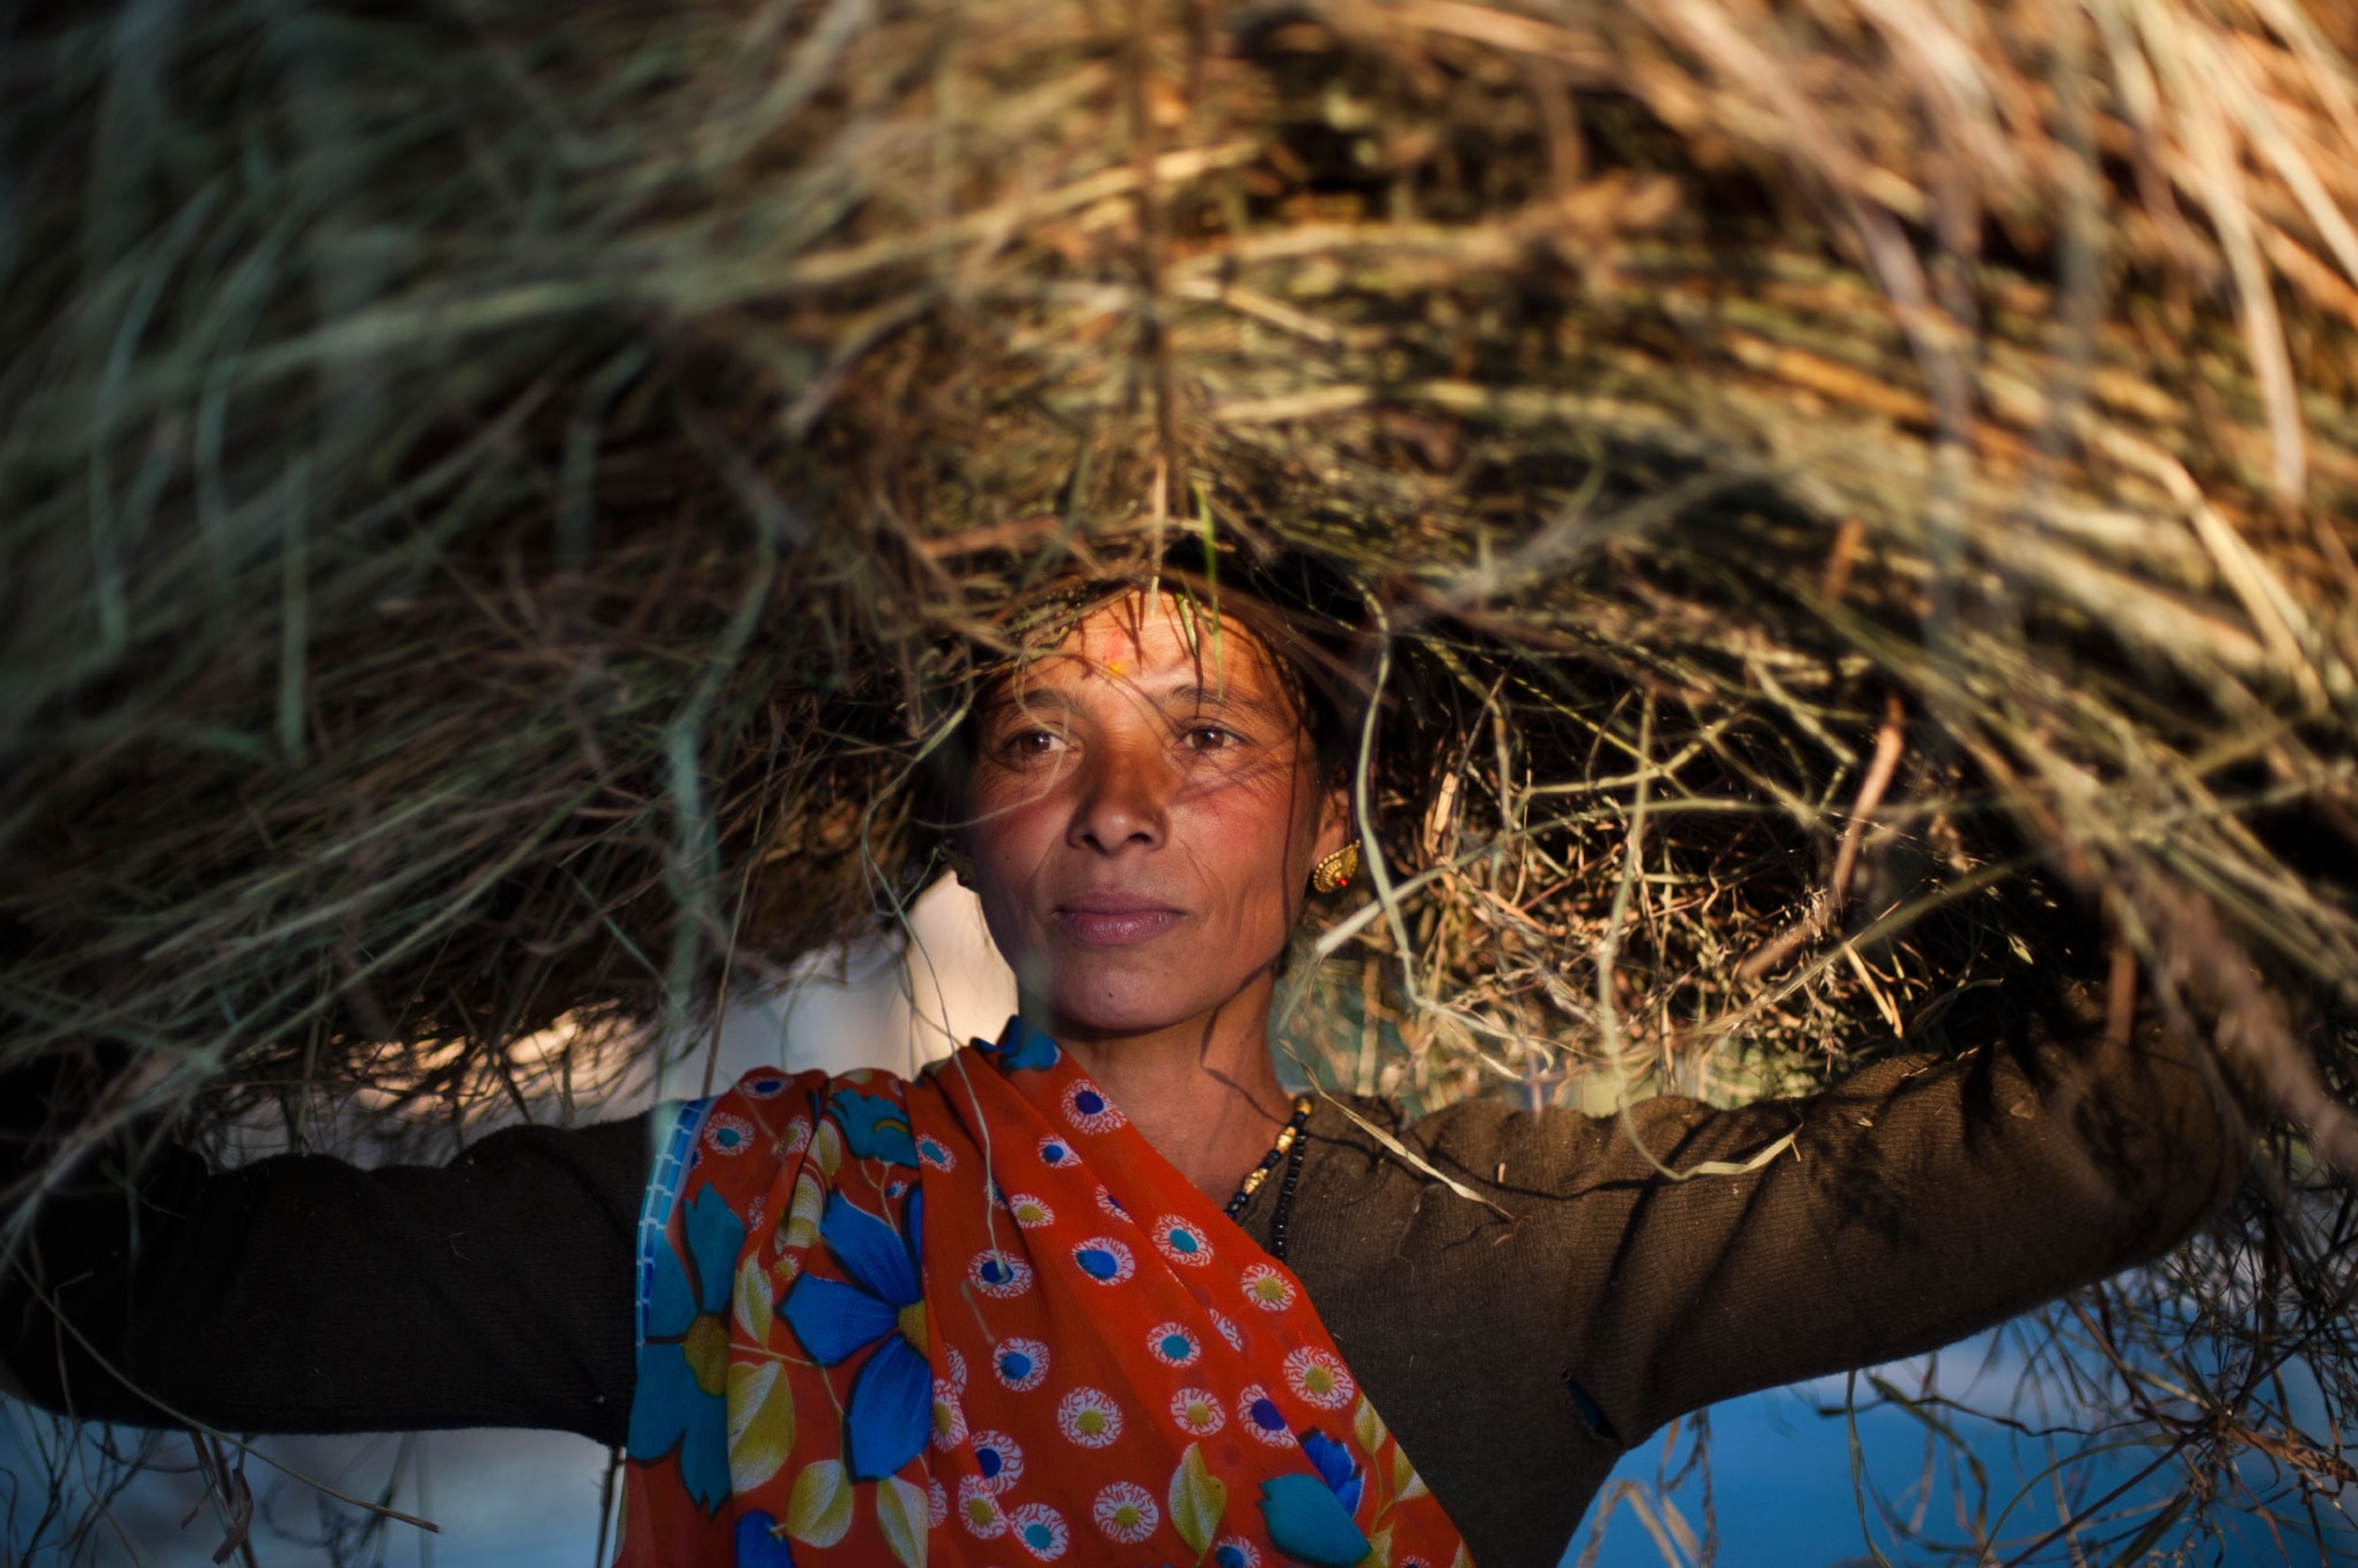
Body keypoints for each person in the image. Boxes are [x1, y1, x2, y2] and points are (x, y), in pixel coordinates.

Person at [0, 585, 2249, 1568]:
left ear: (1334, 826)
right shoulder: (736, 1231)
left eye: (1211, 735)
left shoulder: (1521, 1262)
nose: (1117, 801)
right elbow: (114, 1291)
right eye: (1034, 733)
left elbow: (2127, 1116)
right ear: (959, 825)